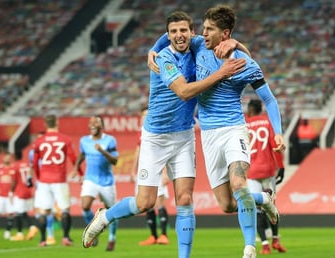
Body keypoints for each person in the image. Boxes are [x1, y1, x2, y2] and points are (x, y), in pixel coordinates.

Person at [82, 10, 247, 258]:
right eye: (173, 32)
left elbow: (240, 51)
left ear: (192, 34)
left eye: (183, 31)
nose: (178, 35)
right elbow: (183, 91)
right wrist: (220, 74)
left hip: (183, 137)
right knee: (144, 203)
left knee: (184, 199)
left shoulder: (198, 45)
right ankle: (105, 216)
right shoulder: (163, 59)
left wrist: (234, 42)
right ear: (167, 35)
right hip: (155, 138)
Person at [148, 5, 286, 258]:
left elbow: (270, 100)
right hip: (208, 135)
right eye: (203, 28)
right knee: (226, 205)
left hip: (234, 129)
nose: (203, 33)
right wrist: (154, 49)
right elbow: (174, 34)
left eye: (209, 29)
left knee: (238, 182)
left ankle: (249, 247)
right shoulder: (200, 45)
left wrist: (278, 132)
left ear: (225, 33)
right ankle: (263, 200)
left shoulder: (245, 64)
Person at [31, 114, 82, 247]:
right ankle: (65, 238)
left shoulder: (39, 141)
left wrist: (38, 176)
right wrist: (79, 172)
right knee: (65, 209)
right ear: (57, 123)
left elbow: (35, 163)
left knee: (43, 211)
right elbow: (73, 157)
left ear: (45, 124)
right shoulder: (64, 139)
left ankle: (42, 240)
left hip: (44, 180)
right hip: (59, 180)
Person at [246, 99, 287, 255]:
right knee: (271, 206)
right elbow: (275, 145)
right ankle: (276, 239)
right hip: (268, 169)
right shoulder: (267, 122)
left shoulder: (245, 124)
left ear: (250, 110)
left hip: (252, 172)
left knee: (257, 209)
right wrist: (281, 167)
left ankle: (264, 245)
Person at [73, 115, 119, 251]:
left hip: (106, 181)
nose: (92, 125)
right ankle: (93, 233)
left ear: (102, 126)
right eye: (90, 123)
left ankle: (112, 238)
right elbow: (82, 155)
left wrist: (102, 151)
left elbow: (115, 161)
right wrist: (76, 168)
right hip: (90, 179)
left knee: (112, 211)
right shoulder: (84, 141)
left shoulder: (109, 140)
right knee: (85, 206)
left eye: (96, 122)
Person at [131, 106, 170, 246]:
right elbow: (138, 151)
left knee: (160, 203)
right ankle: (153, 236)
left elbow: (163, 152)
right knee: (146, 205)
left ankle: (164, 235)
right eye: (143, 115)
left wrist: (165, 173)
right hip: (144, 173)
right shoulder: (141, 133)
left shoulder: (158, 130)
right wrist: (132, 170)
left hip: (158, 172)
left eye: (147, 115)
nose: (145, 118)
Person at [28, 131, 56, 244]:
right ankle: (40, 230)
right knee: (40, 211)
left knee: (47, 211)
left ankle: (49, 236)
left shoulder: (51, 152)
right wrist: (29, 177)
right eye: (37, 139)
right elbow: (31, 166)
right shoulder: (32, 152)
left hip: (51, 183)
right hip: (39, 184)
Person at [10, 154, 38, 241]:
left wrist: (11, 191)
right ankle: (32, 227)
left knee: (18, 214)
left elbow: (14, 181)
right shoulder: (27, 165)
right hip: (28, 192)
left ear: (14, 157)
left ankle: (20, 234)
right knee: (24, 213)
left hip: (20, 192)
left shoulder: (15, 166)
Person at [0, 153, 16, 240]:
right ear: (3, 158)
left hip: (10, 195)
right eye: (6, 157)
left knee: (10, 214)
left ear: (11, 159)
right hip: (0, 195)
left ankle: (7, 232)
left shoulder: (13, 168)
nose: (7, 159)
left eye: (9, 158)